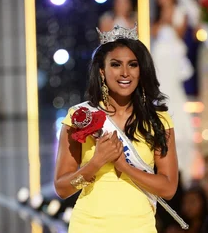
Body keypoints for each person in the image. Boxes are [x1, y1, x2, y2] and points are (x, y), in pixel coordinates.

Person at [54, 24, 179, 233]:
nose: (125, 73)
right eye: (115, 64)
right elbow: (63, 188)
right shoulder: (80, 117)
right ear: (102, 71)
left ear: (141, 70)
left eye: (132, 65)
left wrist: (125, 167)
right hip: (88, 226)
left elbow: (168, 188)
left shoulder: (159, 120)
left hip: (139, 226)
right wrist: (96, 163)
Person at [151, 0, 195, 188]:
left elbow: (181, 33)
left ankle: (178, 131)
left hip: (173, 56)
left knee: (173, 95)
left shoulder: (180, 12)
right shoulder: (156, 15)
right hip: (160, 57)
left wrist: (168, 21)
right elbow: (152, 31)